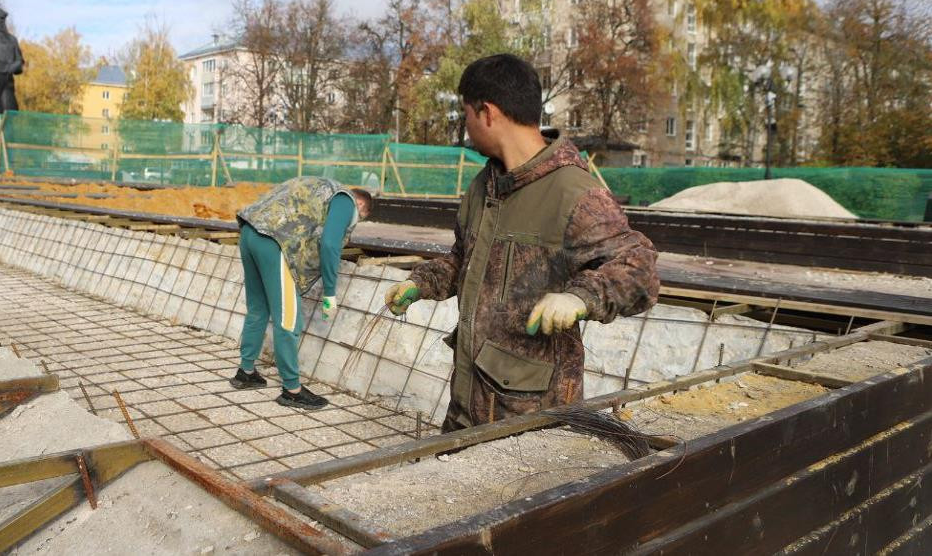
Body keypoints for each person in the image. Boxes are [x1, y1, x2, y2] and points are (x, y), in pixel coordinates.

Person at [384, 54, 658, 431]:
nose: (465, 128)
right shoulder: (484, 187)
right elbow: (463, 259)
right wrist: (420, 283)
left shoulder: (571, 191)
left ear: (488, 113)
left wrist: (580, 297)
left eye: (466, 115)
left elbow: (639, 269)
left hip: (532, 426)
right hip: (468, 406)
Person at [231, 177, 374, 409]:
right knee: (288, 318)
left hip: (249, 232)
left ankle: (245, 372)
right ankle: (292, 390)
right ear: (361, 206)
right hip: (273, 241)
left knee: (258, 308)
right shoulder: (346, 200)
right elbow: (330, 243)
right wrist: (329, 292)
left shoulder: (318, 186)